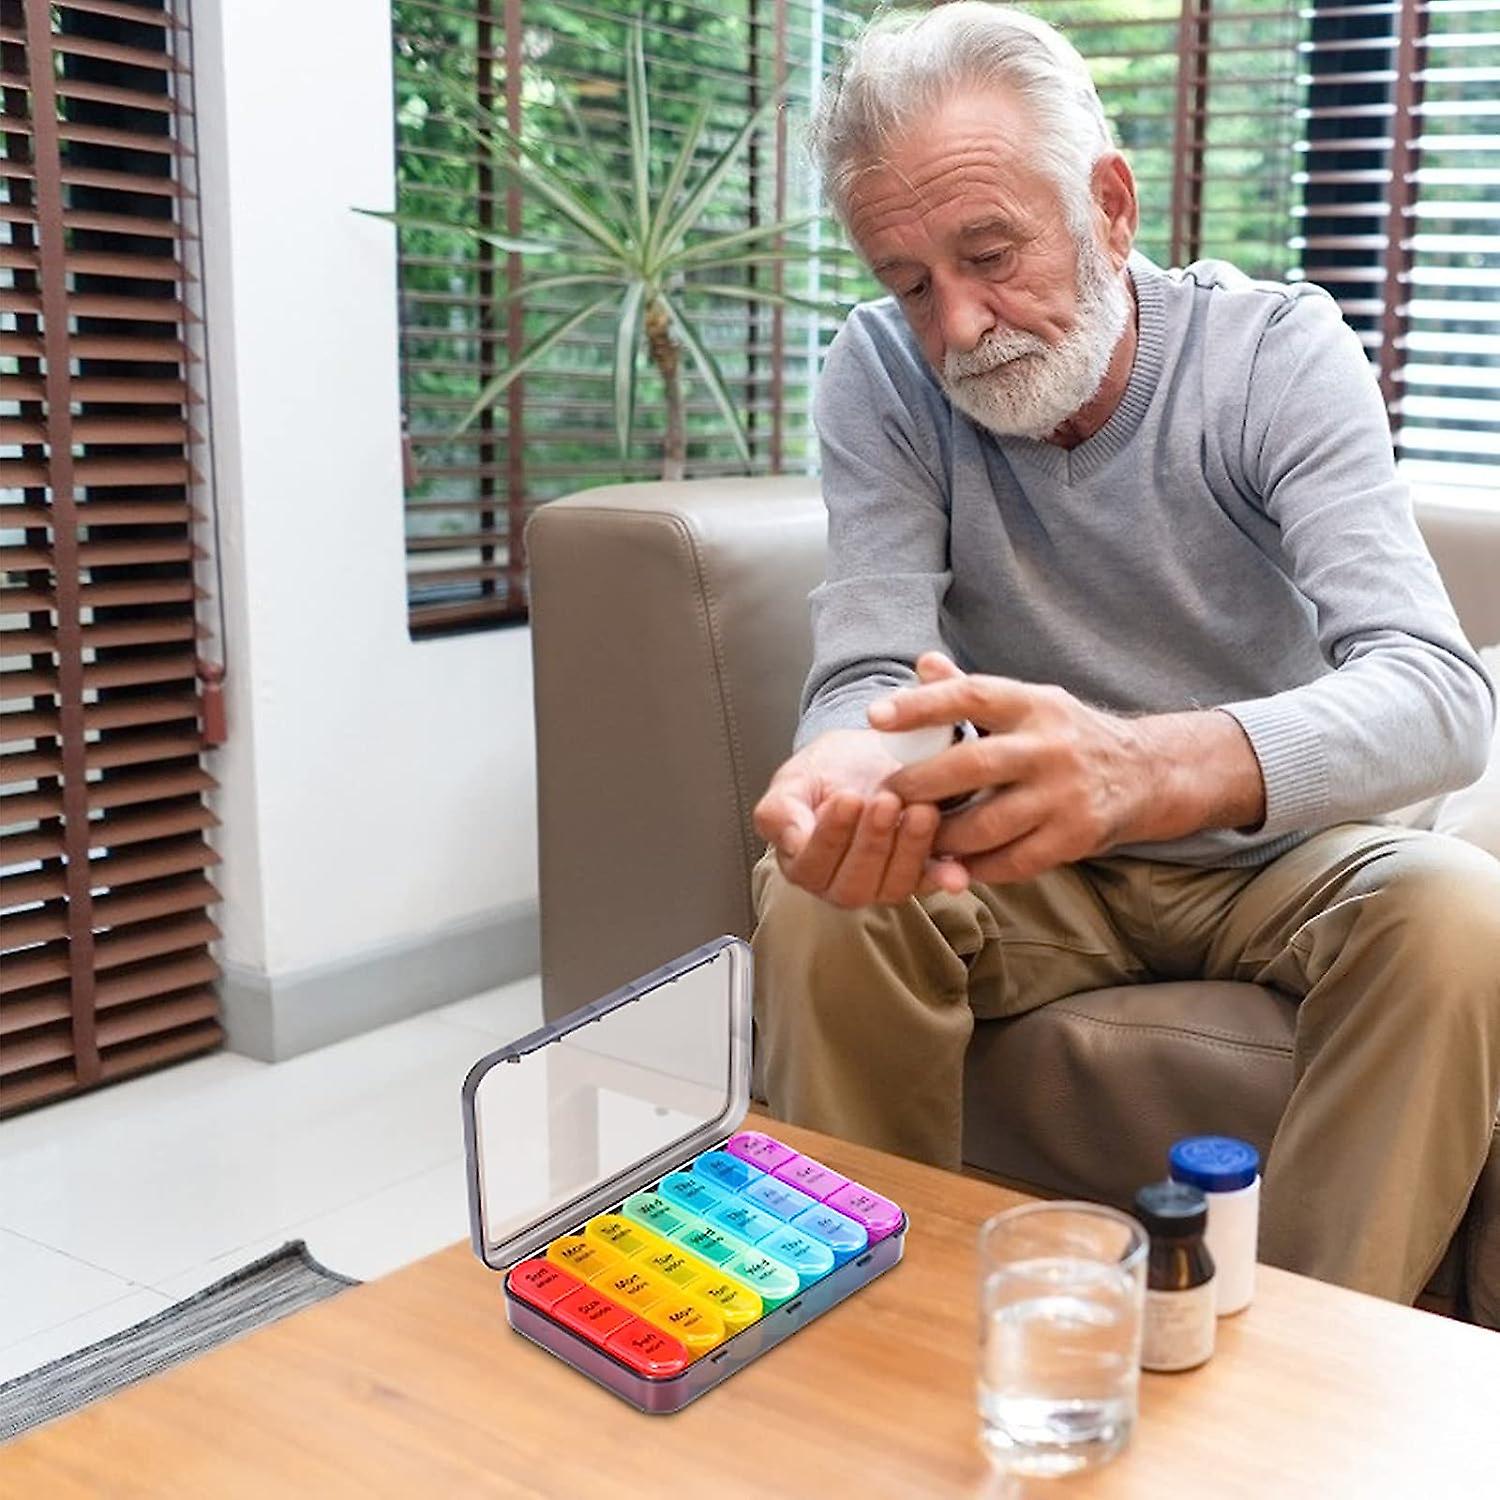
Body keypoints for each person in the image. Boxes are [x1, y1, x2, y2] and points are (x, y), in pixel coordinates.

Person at [750, 1, 1500, 1307]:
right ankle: (872, 1343)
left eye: (991, 253)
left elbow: (1437, 696)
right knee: (824, 903)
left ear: (1109, 205)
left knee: (1460, 919)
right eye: (911, 281)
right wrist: (839, 773)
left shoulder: (1276, 354)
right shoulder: (881, 374)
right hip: (1035, 858)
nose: (960, 327)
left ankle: (1295, 1399)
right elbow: (872, 664)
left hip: (1280, 854)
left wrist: (1147, 769)